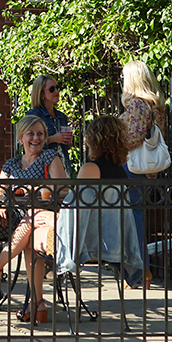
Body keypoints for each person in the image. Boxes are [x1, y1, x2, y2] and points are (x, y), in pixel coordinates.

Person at [0, 115, 67, 322]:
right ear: (21, 138)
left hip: (39, 216)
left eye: (40, 134)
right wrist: (2, 202)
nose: (36, 138)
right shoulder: (12, 164)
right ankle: (33, 303)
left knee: (30, 232)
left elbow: (64, 190)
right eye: (30, 133)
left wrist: (36, 189)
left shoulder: (50, 158)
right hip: (10, 220)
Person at [54, 116, 143, 284]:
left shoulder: (91, 169)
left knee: (33, 219)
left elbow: (75, 208)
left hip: (89, 240)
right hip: (113, 241)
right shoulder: (121, 173)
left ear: (95, 140)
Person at [118, 60, 167, 286]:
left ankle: (139, 272)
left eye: (124, 76)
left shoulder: (138, 104)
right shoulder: (155, 105)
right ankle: (138, 272)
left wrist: (112, 140)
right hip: (145, 171)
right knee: (134, 217)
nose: (122, 81)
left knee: (131, 218)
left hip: (132, 169)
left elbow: (133, 138)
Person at [25, 74, 74, 174]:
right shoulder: (34, 116)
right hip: (42, 170)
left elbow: (65, 146)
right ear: (42, 93)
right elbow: (27, 144)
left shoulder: (61, 116)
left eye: (57, 88)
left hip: (63, 167)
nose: (57, 91)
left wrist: (68, 140)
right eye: (52, 89)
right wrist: (53, 139)